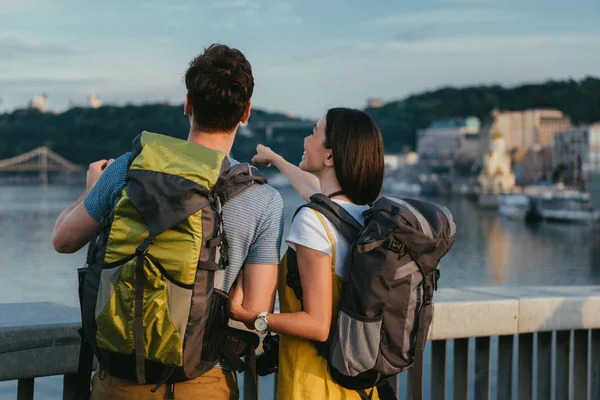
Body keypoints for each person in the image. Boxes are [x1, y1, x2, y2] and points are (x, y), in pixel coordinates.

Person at [52, 44, 284, 400]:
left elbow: (63, 240)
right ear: (246, 113)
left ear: (188, 104)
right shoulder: (262, 199)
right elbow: (255, 309)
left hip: (119, 382)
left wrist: (92, 189)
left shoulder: (128, 168)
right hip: (203, 381)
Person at [228, 107, 385, 399]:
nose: (305, 138)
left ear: (330, 157)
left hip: (313, 384)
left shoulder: (312, 221)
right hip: (357, 387)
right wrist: (275, 159)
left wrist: (253, 317)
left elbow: (317, 324)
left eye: (313, 132)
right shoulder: (363, 216)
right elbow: (314, 190)